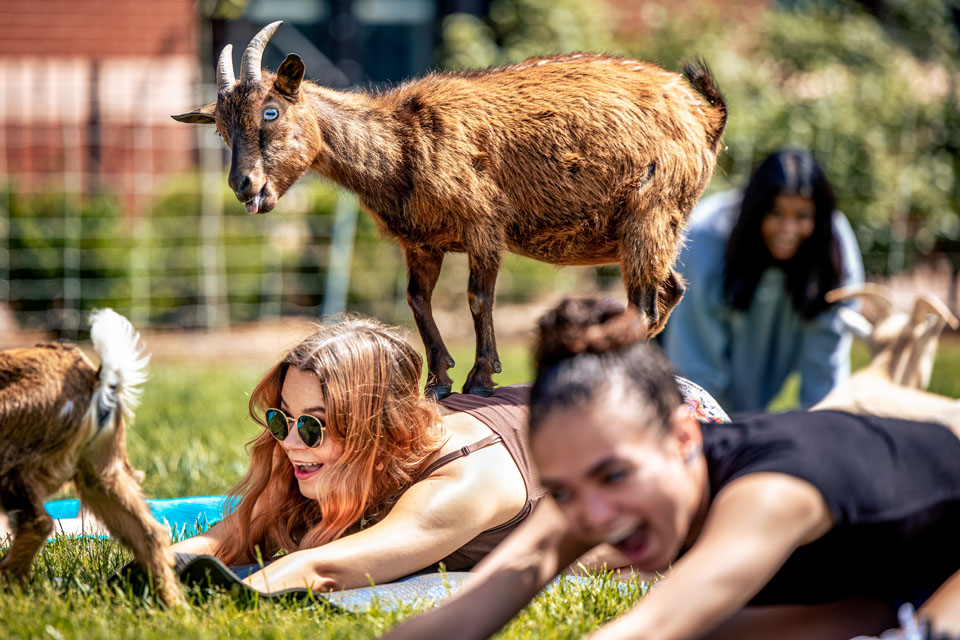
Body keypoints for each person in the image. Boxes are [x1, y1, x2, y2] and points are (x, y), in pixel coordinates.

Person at [383, 298, 960, 640]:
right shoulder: (605, 490)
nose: (593, 516)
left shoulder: (772, 491)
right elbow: (466, 615)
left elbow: (649, 630)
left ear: (685, 433)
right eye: (562, 491)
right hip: (878, 587)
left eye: (613, 477)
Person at [170, 315, 540, 592]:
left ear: (380, 430)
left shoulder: (463, 483)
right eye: (282, 419)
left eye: (314, 426)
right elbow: (232, 538)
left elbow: (322, 570)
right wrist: (152, 568)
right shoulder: (340, 458)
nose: (291, 442)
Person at [661, 148, 864, 413]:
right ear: (756, 209)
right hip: (691, 364)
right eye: (776, 213)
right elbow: (695, 360)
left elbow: (826, 368)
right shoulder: (705, 238)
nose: (788, 229)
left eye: (802, 216)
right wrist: (707, 431)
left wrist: (823, 426)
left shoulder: (833, 247)